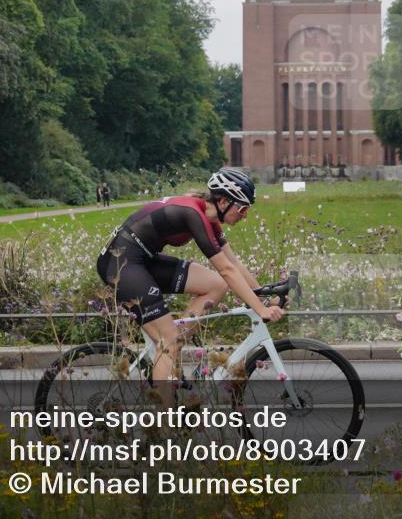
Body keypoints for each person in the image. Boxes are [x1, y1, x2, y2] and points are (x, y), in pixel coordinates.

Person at [96, 168, 284, 392]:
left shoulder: (209, 217)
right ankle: (164, 423)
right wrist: (260, 310)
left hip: (142, 260)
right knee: (169, 342)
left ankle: (169, 354)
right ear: (224, 202)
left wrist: (262, 296)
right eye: (243, 208)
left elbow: (233, 264)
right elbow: (225, 269)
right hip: (120, 264)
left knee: (215, 285)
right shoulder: (193, 213)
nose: (245, 215)